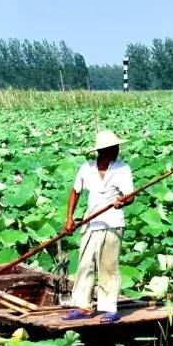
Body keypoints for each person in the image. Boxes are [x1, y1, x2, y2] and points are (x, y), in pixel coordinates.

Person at [63, 129, 135, 322]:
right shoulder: (86, 168)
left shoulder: (122, 169)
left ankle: (109, 308)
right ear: (104, 150)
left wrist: (123, 201)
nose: (117, 150)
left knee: (109, 266)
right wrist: (69, 219)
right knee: (85, 264)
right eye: (114, 147)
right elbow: (75, 192)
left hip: (113, 223)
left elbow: (130, 196)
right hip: (91, 221)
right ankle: (82, 306)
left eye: (117, 147)